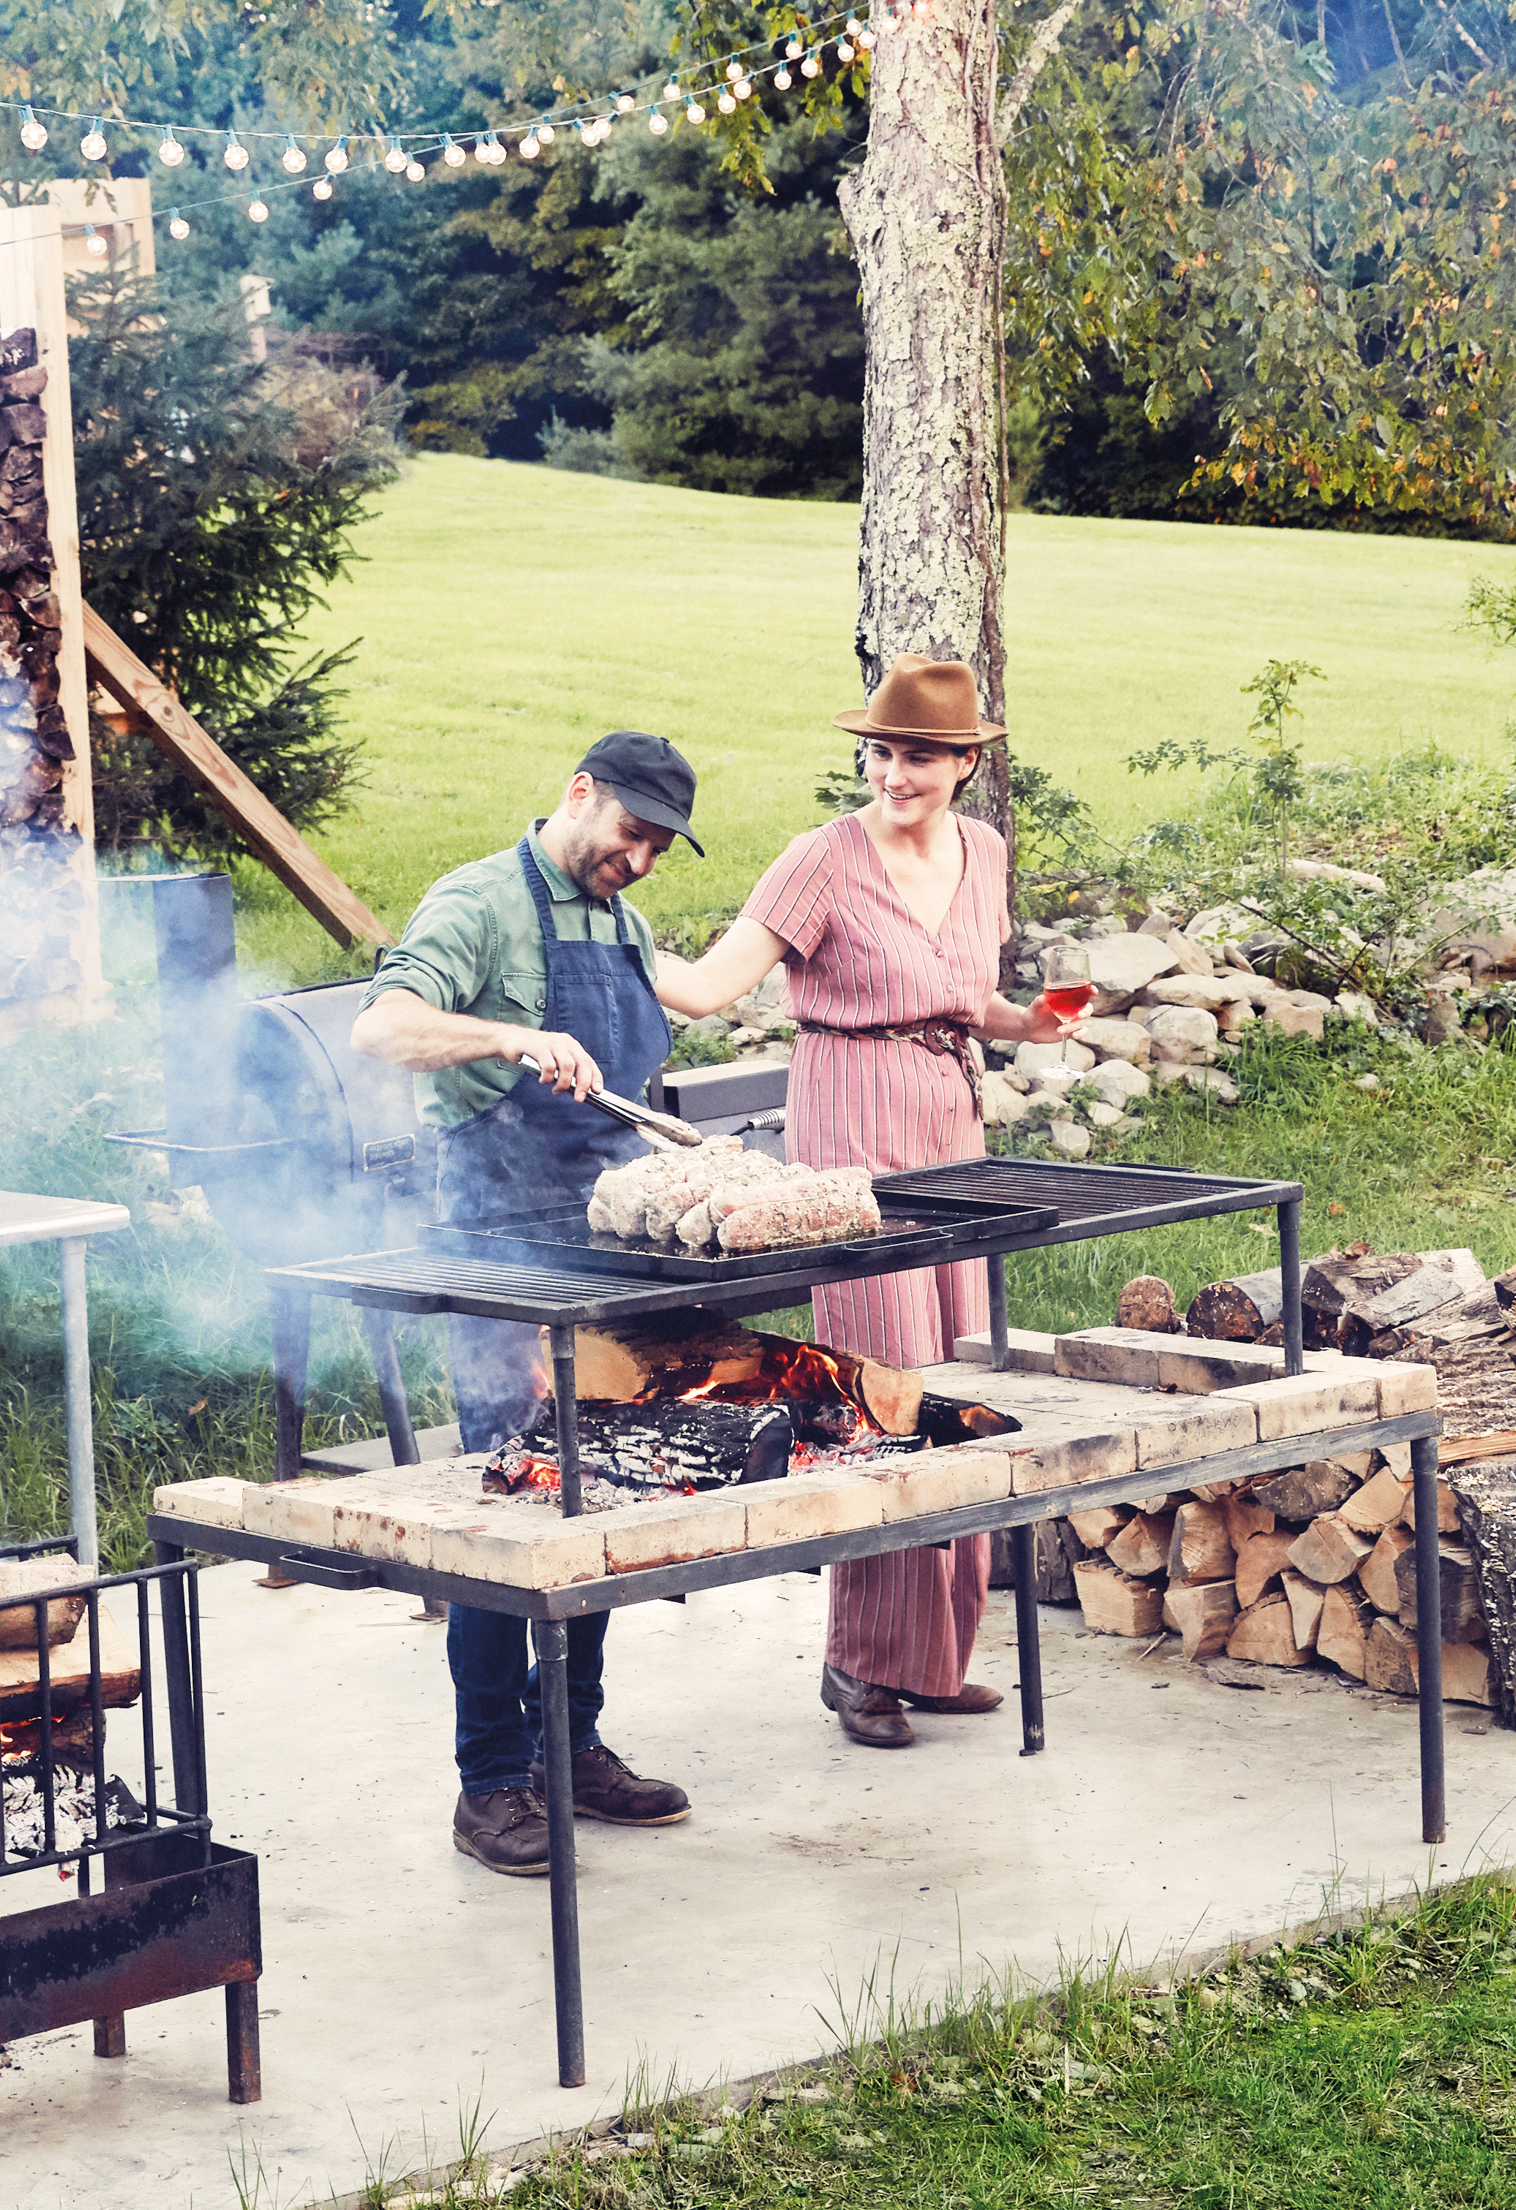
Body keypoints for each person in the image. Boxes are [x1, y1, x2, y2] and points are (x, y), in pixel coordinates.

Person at [653, 660, 1046, 1750]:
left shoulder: (984, 853)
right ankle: (859, 1663)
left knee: (962, 1378)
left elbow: (970, 999)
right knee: (882, 1387)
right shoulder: (821, 860)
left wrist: (1029, 1025)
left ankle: (934, 1658)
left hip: (948, 1119)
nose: (894, 772)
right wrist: (610, 936)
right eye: (881, 751)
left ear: (967, 762)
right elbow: (709, 984)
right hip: (849, 1122)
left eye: (920, 754)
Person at [352, 734, 702, 1877]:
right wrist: (509, 1032)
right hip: (498, 1252)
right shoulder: (481, 902)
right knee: (512, 1511)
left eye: (659, 845)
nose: (641, 858)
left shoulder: (623, 921)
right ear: (578, 793)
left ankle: (571, 1742)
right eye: (632, 832)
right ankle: (491, 1780)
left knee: (598, 1498)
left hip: (604, 1253)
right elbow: (383, 1027)